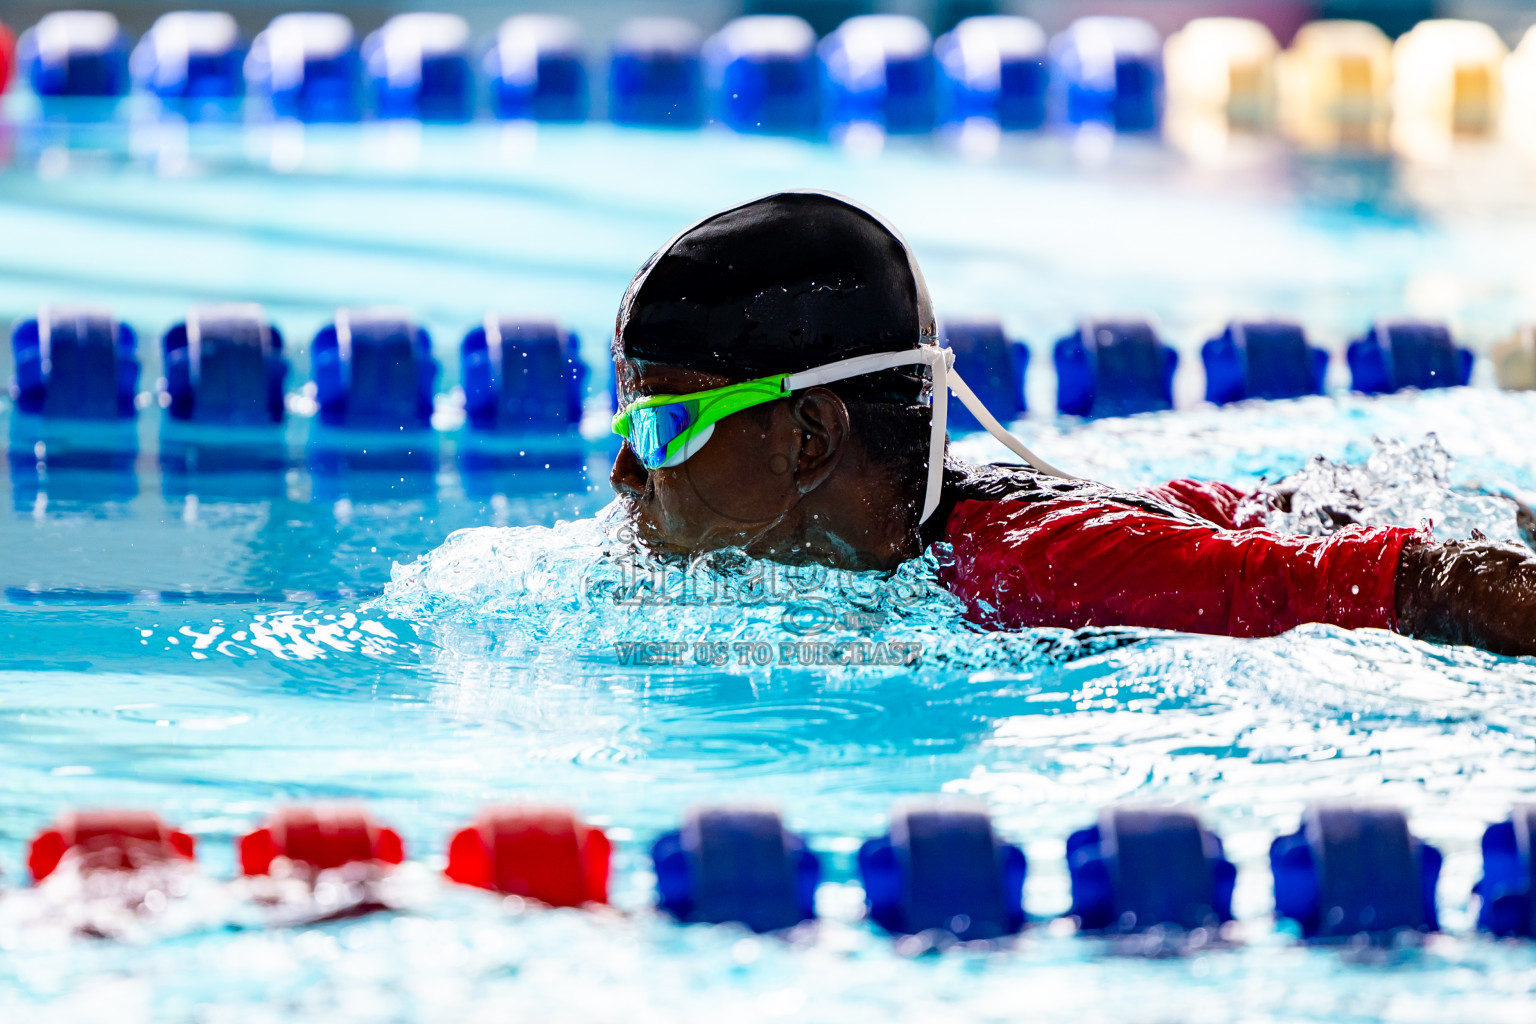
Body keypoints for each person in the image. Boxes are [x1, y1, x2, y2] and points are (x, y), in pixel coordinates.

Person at [608, 191, 1536, 657]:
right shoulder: (927, 545)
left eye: (662, 426)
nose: (624, 472)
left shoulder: (1032, 570)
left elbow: (1420, 580)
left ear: (808, 434)